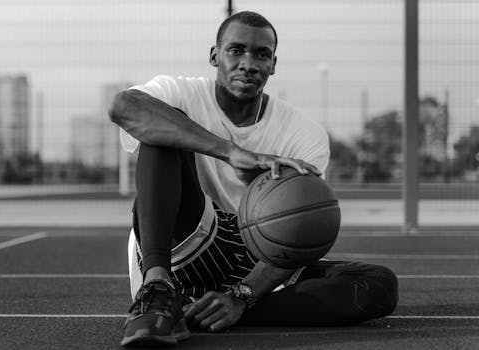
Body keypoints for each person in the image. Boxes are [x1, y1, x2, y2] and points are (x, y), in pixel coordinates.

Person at [109, 11, 398, 348]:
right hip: (188, 243)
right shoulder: (182, 93)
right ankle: (157, 288)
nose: (248, 62)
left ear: (273, 64)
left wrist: (241, 297)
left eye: (261, 54)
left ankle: (212, 309)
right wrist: (230, 152)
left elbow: (301, 228)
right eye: (236, 51)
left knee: (377, 284)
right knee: (163, 128)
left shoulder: (303, 134)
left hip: (259, 260)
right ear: (215, 56)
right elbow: (124, 106)